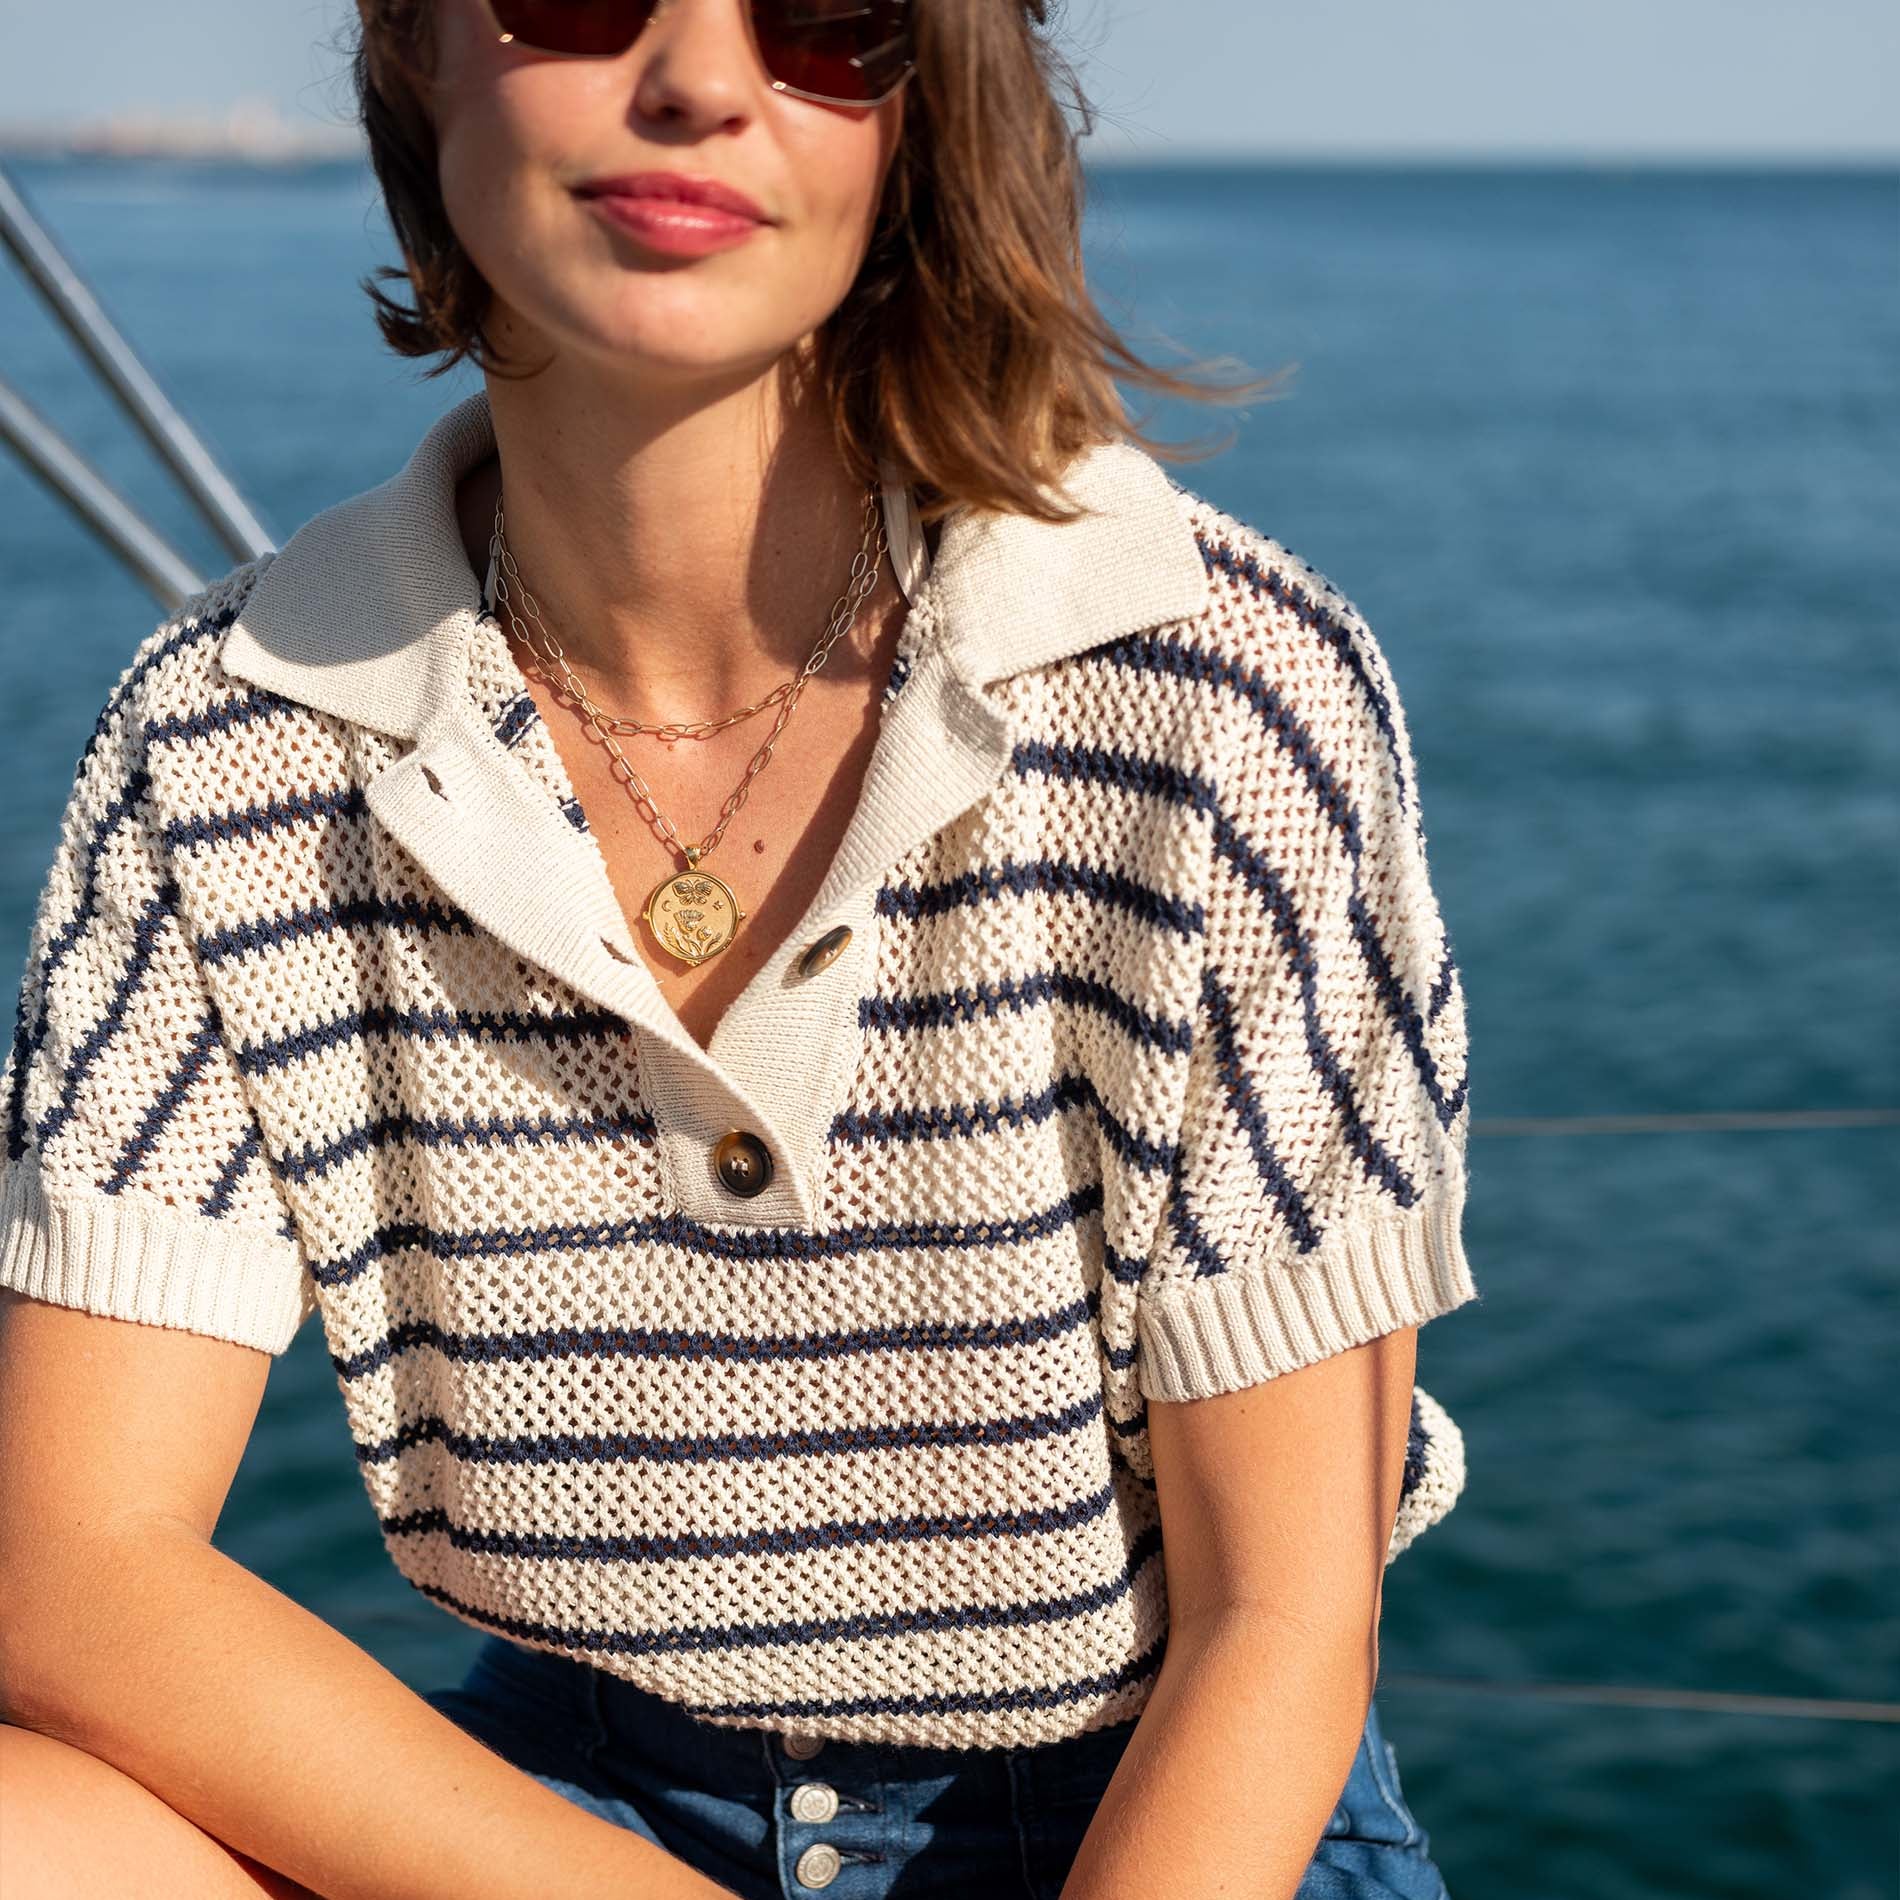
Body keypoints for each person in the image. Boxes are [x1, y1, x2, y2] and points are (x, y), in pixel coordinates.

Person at [0, 0, 1483, 1895]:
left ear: (919, 112)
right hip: (568, 1811)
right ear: (415, 51)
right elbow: (78, 1571)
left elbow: (1281, 1621)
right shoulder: (229, 738)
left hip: (1150, 1807)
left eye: (826, 19)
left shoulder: (1214, 698)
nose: (701, 80)